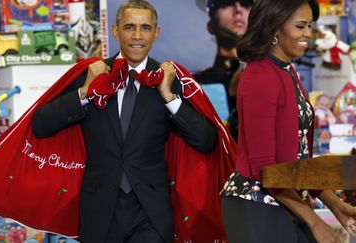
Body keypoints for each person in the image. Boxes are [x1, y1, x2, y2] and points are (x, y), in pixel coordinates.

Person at [32, 1, 218, 242]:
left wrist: (170, 98)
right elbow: (41, 124)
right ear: (115, 31)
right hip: (99, 211)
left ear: (156, 33)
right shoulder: (92, 74)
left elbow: (207, 141)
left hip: (151, 212)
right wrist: (85, 92)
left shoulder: (169, 79)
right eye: (129, 27)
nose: (137, 36)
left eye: (146, 28)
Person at [220, 0, 356, 242]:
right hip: (257, 206)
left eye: (309, 26)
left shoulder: (286, 70)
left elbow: (296, 160)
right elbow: (265, 169)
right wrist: (316, 222)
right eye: (300, 26)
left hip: (284, 200)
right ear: (274, 29)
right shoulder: (260, 75)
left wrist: (336, 206)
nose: (308, 34)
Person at [193, 0, 252, 140]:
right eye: (226, 3)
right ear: (210, 26)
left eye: (245, 3)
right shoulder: (198, 83)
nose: (238, 9)